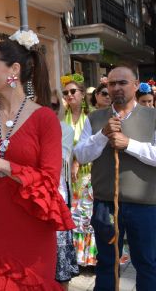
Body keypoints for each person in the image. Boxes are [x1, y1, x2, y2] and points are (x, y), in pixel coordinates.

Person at [0, 32, 75, 290]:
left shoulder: (45, 119)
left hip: (31, 228)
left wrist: (3, 165)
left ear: (14, 69)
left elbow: (49, 180)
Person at [74, 66, 156, 290]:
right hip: (105, 205)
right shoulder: (96, 118)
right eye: (112, 84)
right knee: (107, 264)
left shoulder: (153, 116)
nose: (117, 88)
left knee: (147, 264)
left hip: (145, 205)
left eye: (123, 82)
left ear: (136, 85)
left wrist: (129, 144)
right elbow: (81, 155)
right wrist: (102, 135)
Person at [62, 75, 97, 267]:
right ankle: (76, 258)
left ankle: (90, 259)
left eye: (73, 91)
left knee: (86, 215)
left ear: (82, 94)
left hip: (88, 173)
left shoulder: (91, 116)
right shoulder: (62, 115)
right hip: (66, 175)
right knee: (71, 214)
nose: (69, 95)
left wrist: (77, 160)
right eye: (66, 92)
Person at [51, 89, 79, 289]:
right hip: (27, 199)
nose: (49, 109)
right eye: (44, 104)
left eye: (54, 105)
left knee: (61, 267)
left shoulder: (64, 129)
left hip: (56, 198)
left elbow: (56, 162)